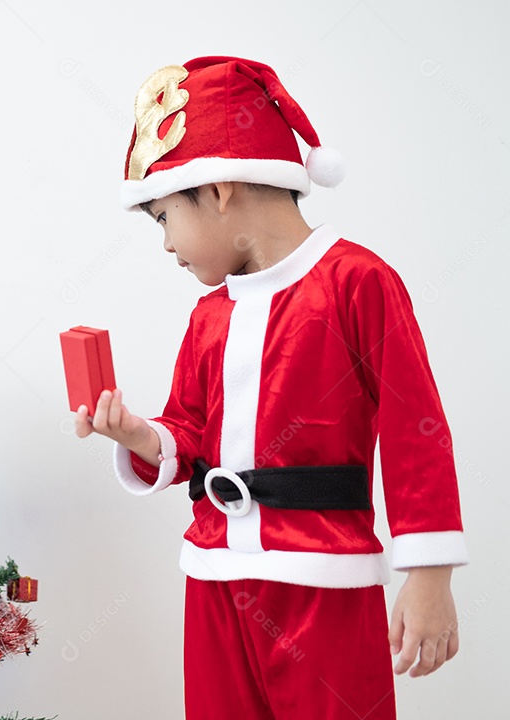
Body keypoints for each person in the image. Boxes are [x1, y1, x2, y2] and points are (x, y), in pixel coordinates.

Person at [73, 56, 467, 720]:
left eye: (165, 217)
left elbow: (415, 431)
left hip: (324, 589)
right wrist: (139, 436)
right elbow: (191, 430)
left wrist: (428, 577)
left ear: (219, 190)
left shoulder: (357, 283)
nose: (167, 244)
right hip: (216, 580)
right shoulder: (209, 315)